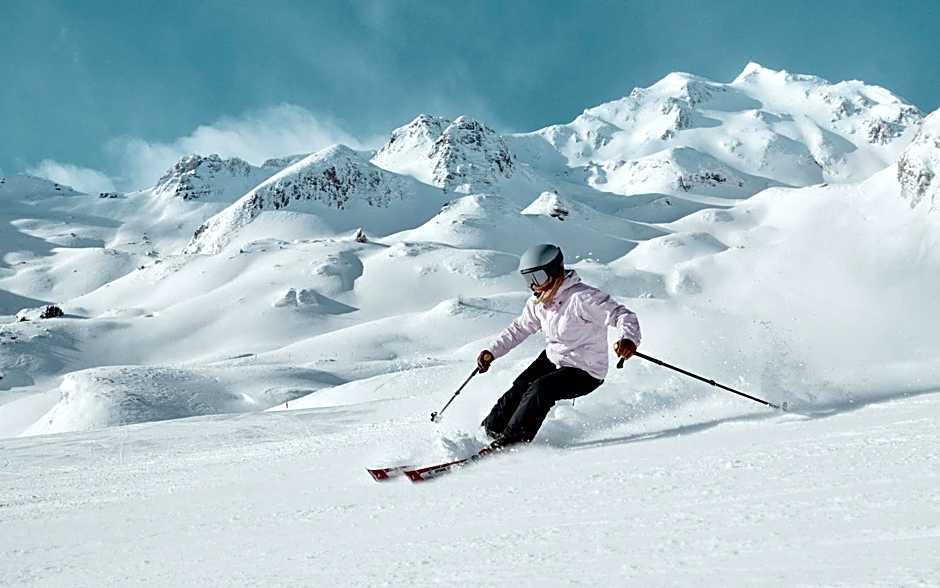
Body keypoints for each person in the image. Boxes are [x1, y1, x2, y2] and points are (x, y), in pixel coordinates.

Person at [478, 243, 641, 449]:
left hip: (585, 369)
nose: (533, 285)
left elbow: (623, 315)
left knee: (541, 389)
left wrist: (628, 339)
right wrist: (492, 352)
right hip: (554, 358)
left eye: (537, 278)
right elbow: (519, 329)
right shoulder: (539, 302)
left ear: (554, 272)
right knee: (522, 384)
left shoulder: (582, 298)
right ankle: (490, 430)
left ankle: (512, 442)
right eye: (528, 279)